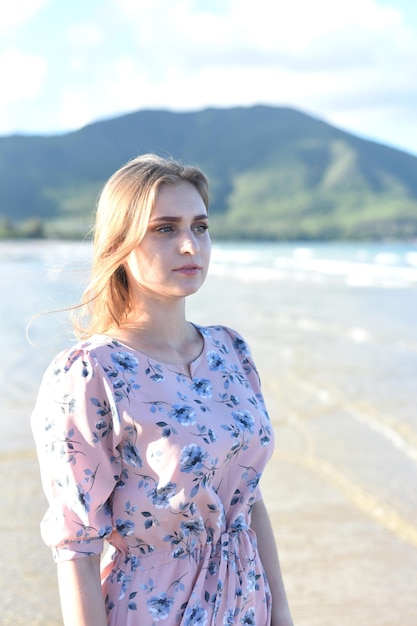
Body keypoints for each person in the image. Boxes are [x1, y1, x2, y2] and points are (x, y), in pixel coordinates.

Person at [31, 154, 294, 626]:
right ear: (120, 244)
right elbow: (76, 546)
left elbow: (248, 499)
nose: (191, 246)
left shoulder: (232, 351)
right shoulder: (91, 371)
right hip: (156, 610)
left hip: (248, 602)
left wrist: (283, 615)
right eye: (165, 229)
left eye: (201, 226)